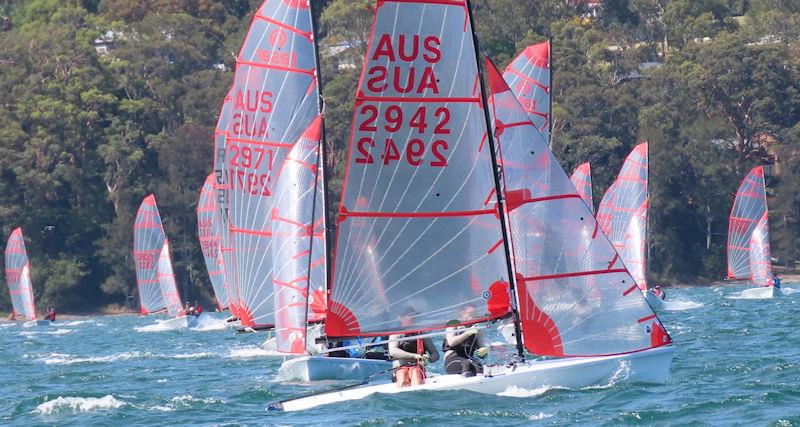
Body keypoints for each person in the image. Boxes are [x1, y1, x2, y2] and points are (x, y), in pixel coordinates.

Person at [389, 308, 439, 388]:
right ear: (401, 318)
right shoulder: (396, 333)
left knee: (415, 372)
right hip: (400, 368)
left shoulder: (422, 333)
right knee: (402, 374)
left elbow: (435, 354)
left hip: (417, 368)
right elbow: (393, 351)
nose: (413, 317)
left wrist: (428, 359)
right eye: (409, 315)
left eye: (414, 315)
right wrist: (414, 356)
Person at [443, 304, 489, 377]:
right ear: (462, 313)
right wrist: (467, 333)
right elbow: (451, 342)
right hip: (452, 359)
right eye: (470, 314)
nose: (472, 317)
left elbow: (482, 353)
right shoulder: (453, 324)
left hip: (470, 359)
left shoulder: (477, 330)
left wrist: (485, 351)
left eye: (475, 314)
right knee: (467, 363)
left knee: (478, 365)